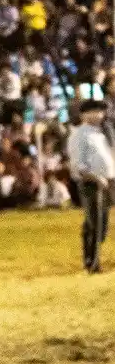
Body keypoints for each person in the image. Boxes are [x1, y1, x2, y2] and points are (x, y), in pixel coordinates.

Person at [67, 99, 115, 274]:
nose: (99, 115)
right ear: (84, 115)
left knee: (102, 224)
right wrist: (95, 178)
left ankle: (92, 258)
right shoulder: (80, 134)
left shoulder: (102, 133)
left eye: (100, 112)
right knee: (94, 223)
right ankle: (92, 262)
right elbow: (78, 164)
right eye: (94, 112)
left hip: (107, 181)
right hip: (91, 183)